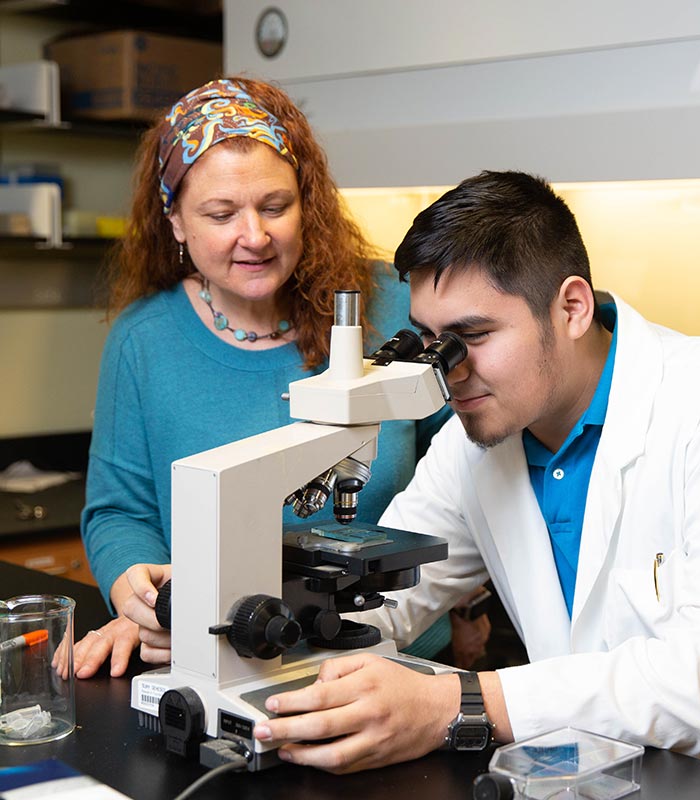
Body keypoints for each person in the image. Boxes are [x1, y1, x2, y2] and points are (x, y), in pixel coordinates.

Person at [250, 170, 700, 786]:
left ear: (571, 307)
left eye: (472, 337)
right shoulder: (478, 437)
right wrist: (231, 617)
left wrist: (460, 703)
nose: (447, 373)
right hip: (563, 775)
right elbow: (383, 593)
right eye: (431, 341)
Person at [69, 77, 462, 680]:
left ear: (307, 202)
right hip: (228, 654)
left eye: (275, 207)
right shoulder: (143, 341)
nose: (254, 236)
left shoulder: (392, 303)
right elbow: (119, 512)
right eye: (221, 214)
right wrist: (139, 594)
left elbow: (475, 462)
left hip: (400, 657)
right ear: (175, 220)